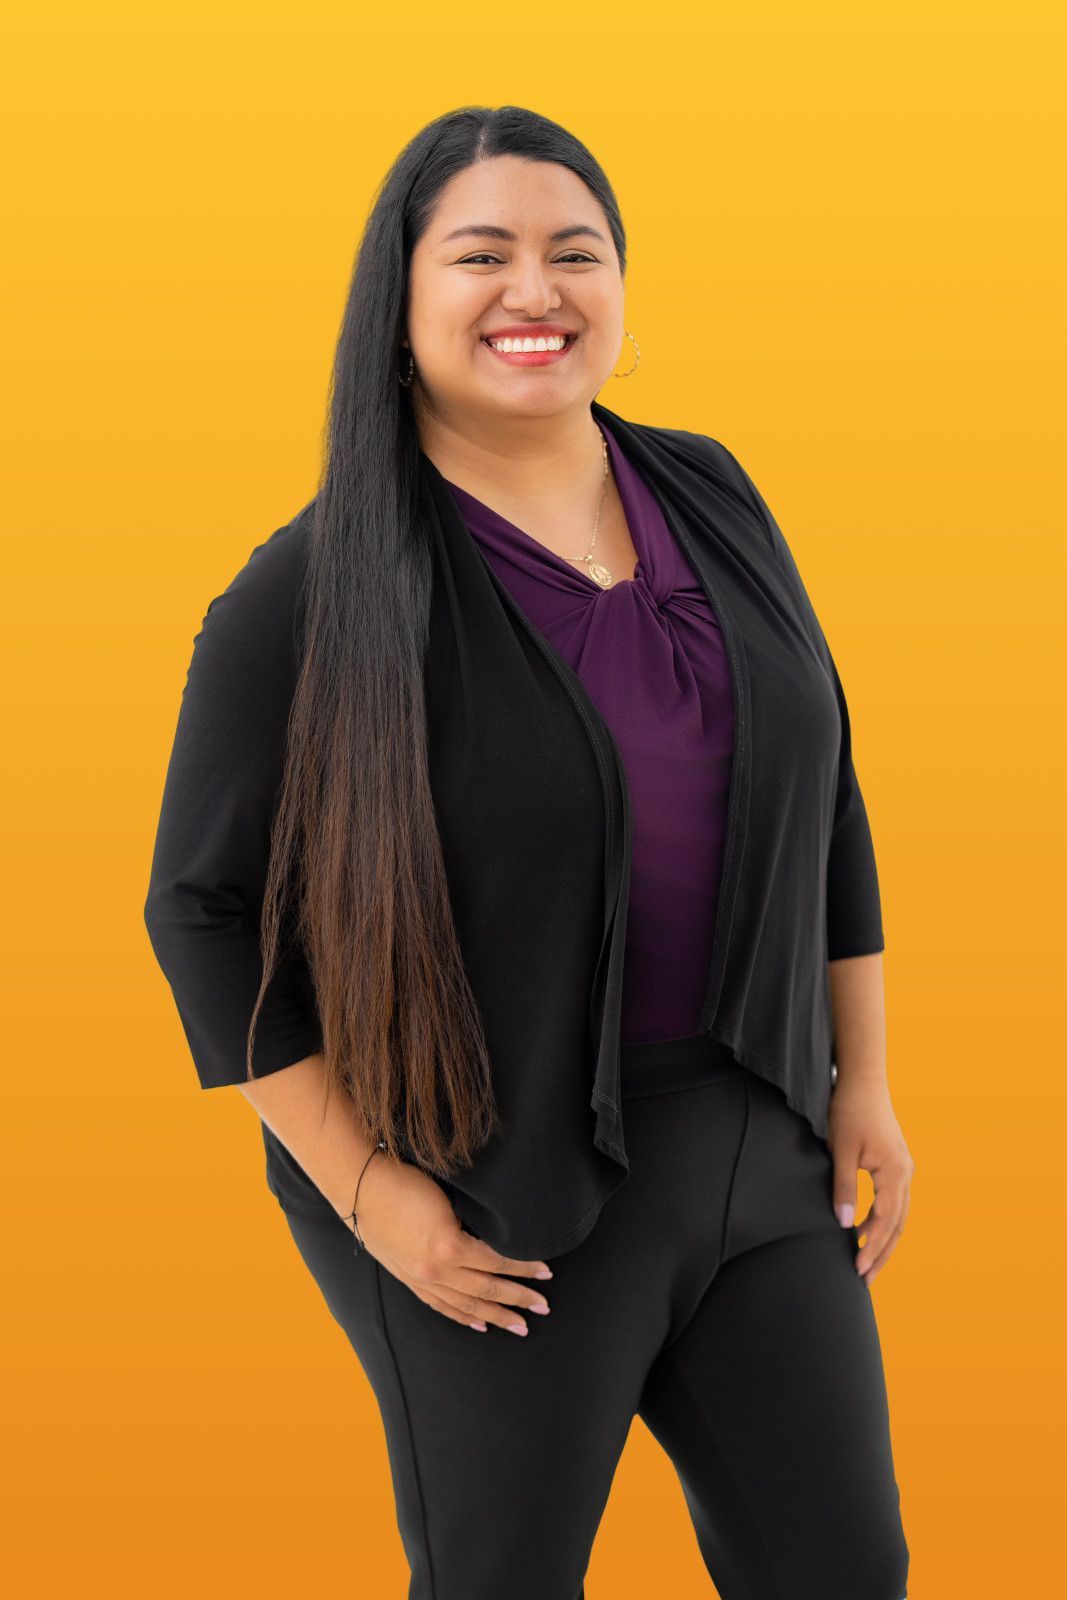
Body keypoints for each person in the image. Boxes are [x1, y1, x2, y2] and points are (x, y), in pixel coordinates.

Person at [143, 105, 913, 1600]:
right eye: (481, 254)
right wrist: (376, 1198)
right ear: (404, 294)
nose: (535, 292)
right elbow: (200, 910)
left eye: (578, 252)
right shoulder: (314, 588)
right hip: (491, 1194)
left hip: (759, 1146)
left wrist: (863, 1080)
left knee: (846, 1571)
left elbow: (826, 792)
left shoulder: (713, 491)